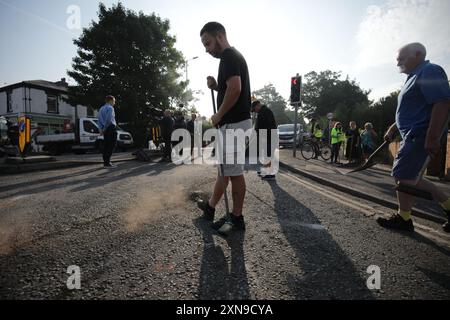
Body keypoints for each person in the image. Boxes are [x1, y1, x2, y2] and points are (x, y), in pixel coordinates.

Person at [377, 42, 450, 232]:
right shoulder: (412, 77)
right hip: (412, 135)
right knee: (407, 176)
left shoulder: (429, 70)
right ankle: (408, 216)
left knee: (404, 175)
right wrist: (394, 127)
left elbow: (442, 103)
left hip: (420, 135)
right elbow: (410, 109)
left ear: (417, 55)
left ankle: (404, 219)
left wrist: (432, 137)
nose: (398, 63)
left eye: (401, 58)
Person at [197, 21, 252, 236]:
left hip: (234, 124)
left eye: (208, 43)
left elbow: (236, 88)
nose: (207, 49)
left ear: (220, 36)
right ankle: (213, 208)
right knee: (225, 170)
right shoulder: (232, 57)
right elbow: (230, 87)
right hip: (234, 124)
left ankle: (236, 218)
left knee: (234, 173)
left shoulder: (229, 55)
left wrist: (219, 114)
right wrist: (216, 86)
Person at [252, 100, 277, 180]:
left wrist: (263, 137)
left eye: (254, 109)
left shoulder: (265, 111)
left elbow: (267, 126)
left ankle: (271, 174)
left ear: (257, 106)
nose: (254, 111)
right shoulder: (263, 112)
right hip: (266, 137)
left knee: (268, 156)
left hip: (268, 138)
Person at [98, 95, 117, 168]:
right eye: (114, 101)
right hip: (110, 128)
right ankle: (107, 162)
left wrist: (100, 130)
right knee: (112, 145)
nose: (114, 103)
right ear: (110, 100)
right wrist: (105, 128)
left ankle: (105, 162)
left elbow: (99, 120)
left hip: (105, 129)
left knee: (106, 145)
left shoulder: (101, 108)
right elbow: (108, 120)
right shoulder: (110, 108)